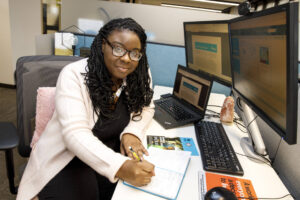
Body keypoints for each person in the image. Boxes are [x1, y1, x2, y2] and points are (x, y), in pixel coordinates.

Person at [17, 18, 156, 200]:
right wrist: (121, 167)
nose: (126, 58)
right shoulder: (73, 74)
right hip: (69, 157)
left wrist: (132, 132)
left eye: (135, 53)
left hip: (109, 150)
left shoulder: (138, 72)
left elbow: (146, 107)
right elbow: (75, 134)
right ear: (102, 45)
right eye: (118, 48)